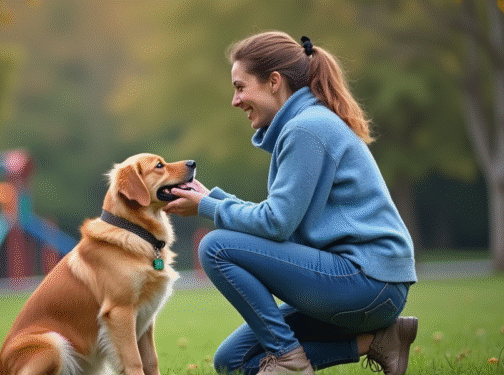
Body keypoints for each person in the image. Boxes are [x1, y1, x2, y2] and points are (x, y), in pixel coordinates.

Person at [163, 31, 418, 375]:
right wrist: (212, 200)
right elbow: (282, 220)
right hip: (366, 285)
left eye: (240, 87)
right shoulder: (305, 126)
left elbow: (276, 224)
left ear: (273, 82)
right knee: (233, 362)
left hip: (367, 280)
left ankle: (288, 360)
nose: (235, 101)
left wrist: (208, 208)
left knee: (215, 248)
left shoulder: (306, 129)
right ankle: (376, 342)